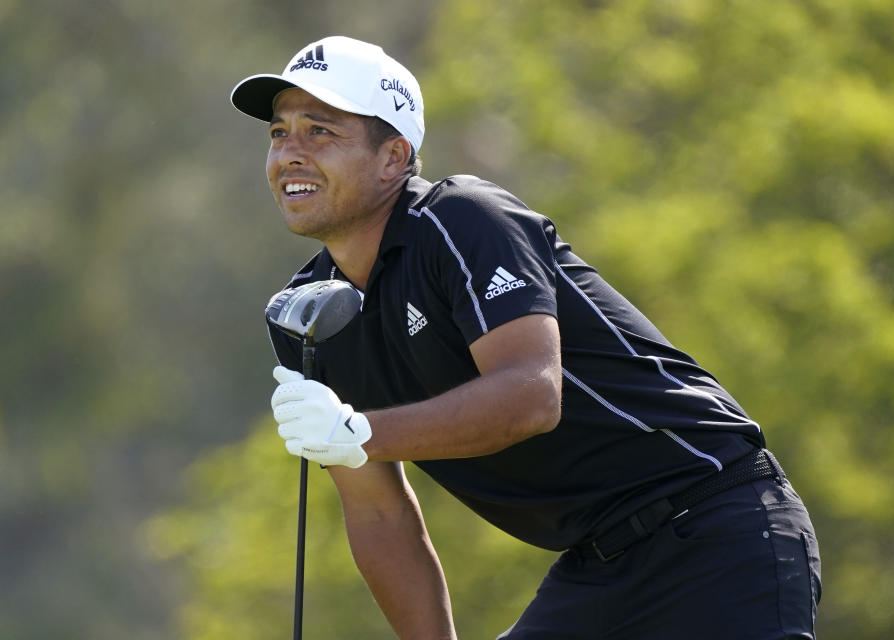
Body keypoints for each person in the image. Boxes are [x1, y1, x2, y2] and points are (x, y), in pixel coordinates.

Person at [231, 35, 822, 640]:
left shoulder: (461, 220)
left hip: (718, 524)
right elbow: (378, 512)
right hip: (596, 570)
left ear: (393, 157)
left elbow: (531, 397)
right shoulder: (308, 317)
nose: (289, 154)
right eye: (280, 133)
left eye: (319, 132)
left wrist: (360, 432)